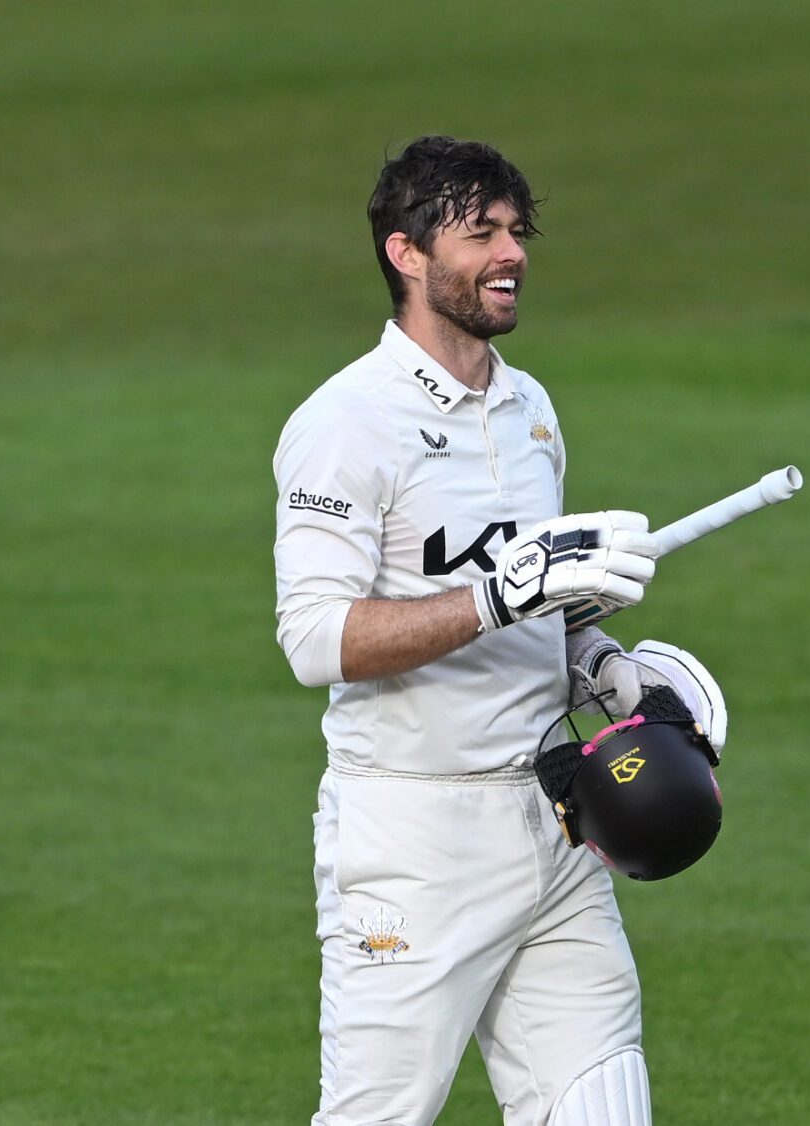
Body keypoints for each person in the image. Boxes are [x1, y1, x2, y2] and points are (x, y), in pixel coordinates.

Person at [271, 135, 701, 1126]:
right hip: (413, 841)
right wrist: (496, 600)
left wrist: (602, 666)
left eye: (516, 231)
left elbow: (538, 604)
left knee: (601, 1106)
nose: (509, 253)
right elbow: (314, 637)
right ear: (406, 254)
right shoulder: (348, 421)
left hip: (552, 821)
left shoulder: (528, 409)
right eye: (479, 234)